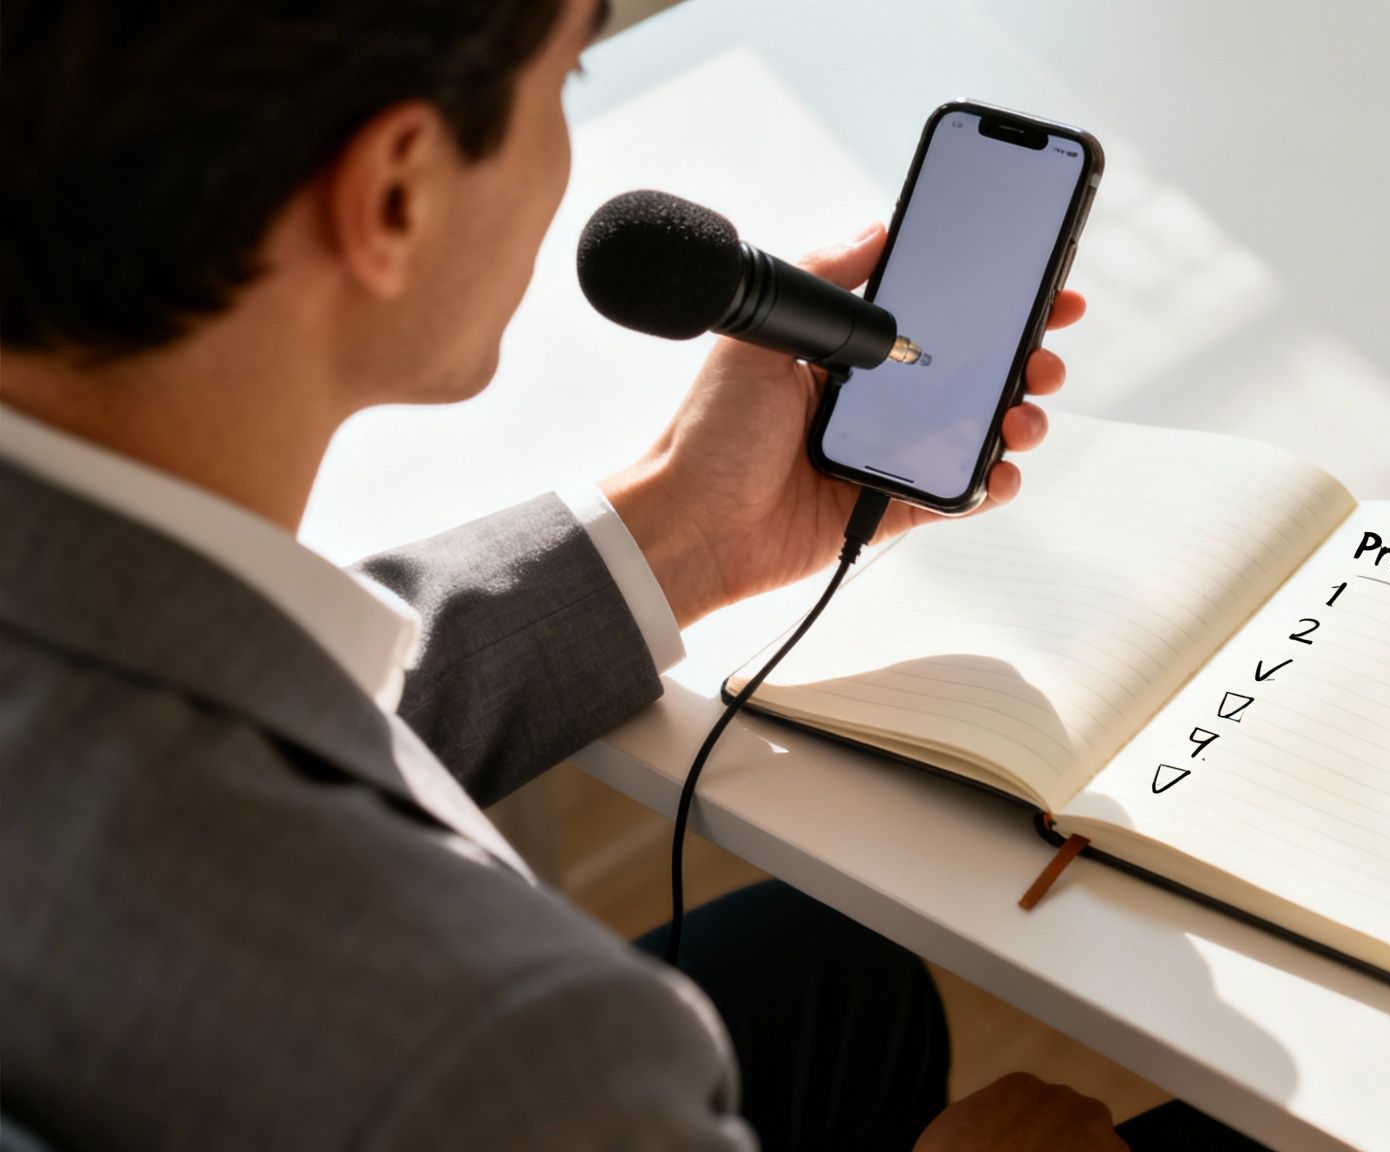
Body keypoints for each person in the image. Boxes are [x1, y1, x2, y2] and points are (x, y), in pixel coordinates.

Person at [0, 2, 1270, 1149]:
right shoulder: (505, 1050)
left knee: (827, 966)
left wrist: (682, 528)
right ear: (394, 194)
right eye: (570, 74)